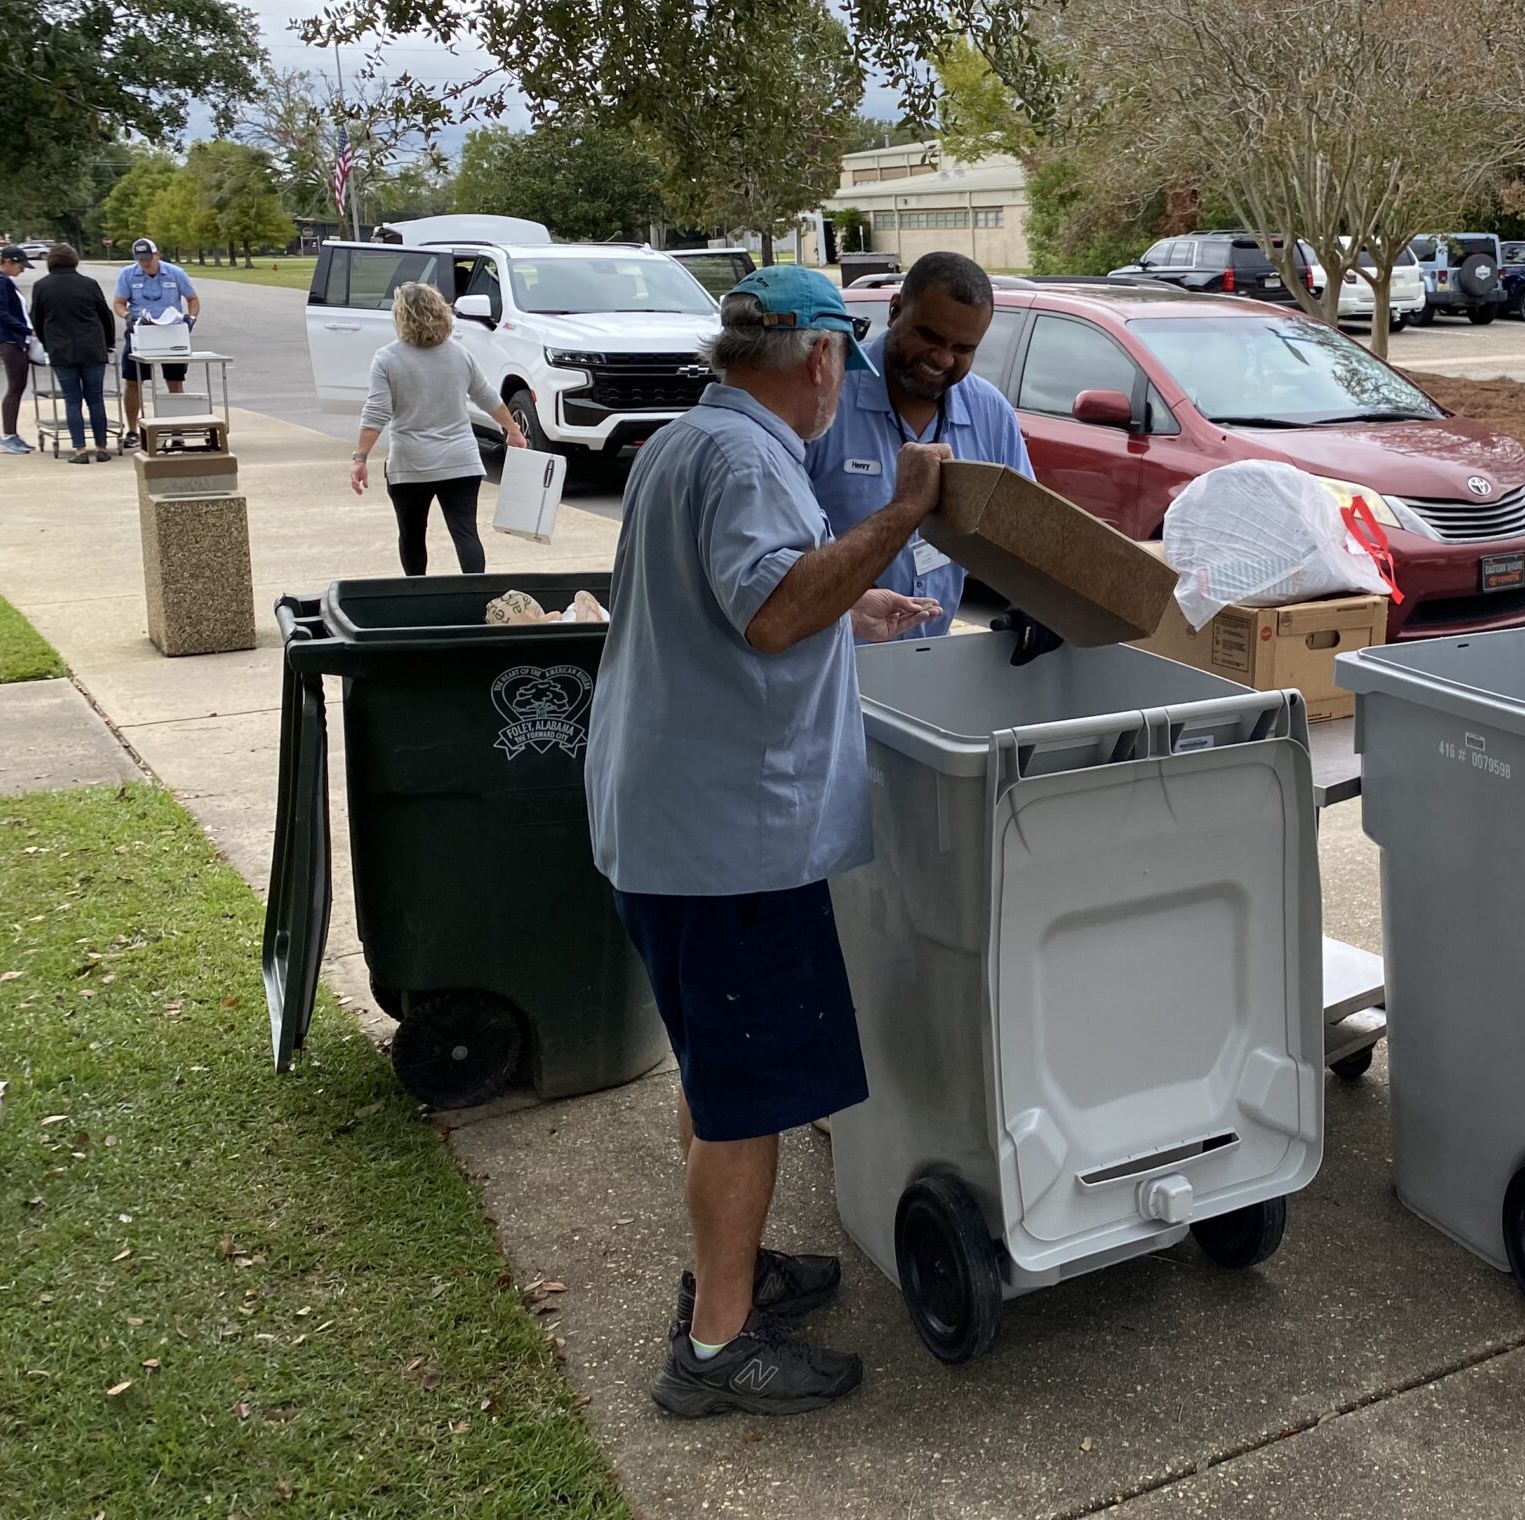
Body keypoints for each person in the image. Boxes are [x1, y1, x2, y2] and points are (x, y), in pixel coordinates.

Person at [584, 265, 944, 1421]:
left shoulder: (690, 442)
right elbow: (774, 609)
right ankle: (717, 1347)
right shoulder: (746, 458)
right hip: (726, 845)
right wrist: (901, 515)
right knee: (745, 1098)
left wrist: (856, 605)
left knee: (716, 1072)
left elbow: (753, 599)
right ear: (822, 356)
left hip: (672, 825)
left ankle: (728, 1271)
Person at [802, 249, 1033, 643]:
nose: (942, 359)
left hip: (931, 657)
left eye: (963, 349)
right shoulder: (824, 402)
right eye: (930, 337)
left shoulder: (991, 413)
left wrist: (1037, 603)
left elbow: (1024, 534)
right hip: (832, 657)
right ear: (894, 312)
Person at [349, 281, 528, 574]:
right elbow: (487, 397)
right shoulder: (459, 354)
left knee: (412, 536)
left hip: (411, 464)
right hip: (461, 461)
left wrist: (360, 458)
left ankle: (416, 592)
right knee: (466, 534)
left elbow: (376, 413)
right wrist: (514, 430)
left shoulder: (387, 358)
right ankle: (475, 593)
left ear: (401, 317)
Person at [26, 243, 117, 464]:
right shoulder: (89, 284)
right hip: (92, 347)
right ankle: (101, 446)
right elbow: (105, 315)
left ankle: (79, 449)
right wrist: (108, 342)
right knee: (95, 399)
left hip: (61, 349)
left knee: (72, 400)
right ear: (74, 260)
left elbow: (37, 319)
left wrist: (47, 343)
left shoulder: (41, 286)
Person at [113, 237, 201, 447]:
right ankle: (133, 431)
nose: (145, 263)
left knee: (175, 381)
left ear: (157, 255)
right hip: (141, 331)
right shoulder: (127, 274)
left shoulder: (175, 273)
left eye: (148, 259)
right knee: (133, 381)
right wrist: (126, 315)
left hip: (171, 331)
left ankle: (177, 432)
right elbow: (119, 302)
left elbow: (192, 299)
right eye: (141, 259)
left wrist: (191, 318)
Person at [0, 244, 34, 454]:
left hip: (12, 339)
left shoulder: (2, 281)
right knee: (15, 386)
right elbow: (1, 313)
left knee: (18, 385)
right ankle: (8, 435)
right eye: (20, 266)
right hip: (9, 340)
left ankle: (11, 434)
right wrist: (26, 330)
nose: (21, 271)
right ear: (8, 262)